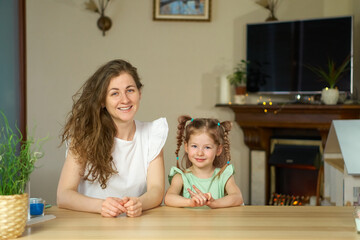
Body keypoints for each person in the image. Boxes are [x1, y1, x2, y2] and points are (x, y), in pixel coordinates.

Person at [57, 59, 168, 217]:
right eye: (114, 93)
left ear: (139, 93)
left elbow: (156, 190)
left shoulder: (152, 134)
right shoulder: (84, 136)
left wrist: (140, 203)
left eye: (130, 90)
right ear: (103, 101)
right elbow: (64, 195)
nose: (125, 99)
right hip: (90, 225)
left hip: (133, 226)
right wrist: (101, 206)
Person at [164, 115, 244, 208]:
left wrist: (213, 203)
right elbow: (168, 198)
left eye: (207, 147)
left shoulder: (224, 175)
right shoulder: (180, 177)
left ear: (218, 150)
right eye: (194, 146)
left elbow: (237, 197)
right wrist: (190, 202)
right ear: (186, 147)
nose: (200, 153)